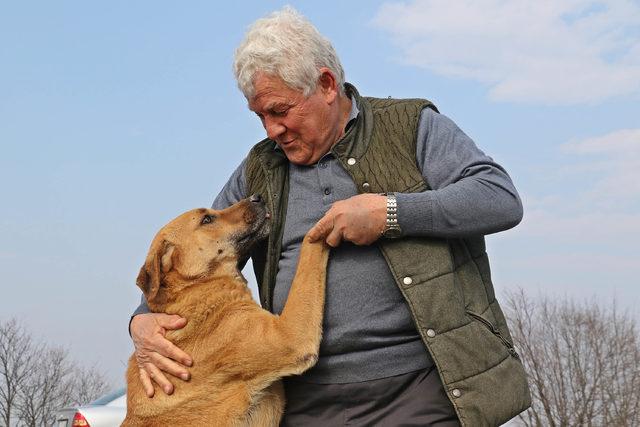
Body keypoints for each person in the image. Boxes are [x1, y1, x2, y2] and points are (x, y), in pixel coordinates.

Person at [129, 7, 531, 426]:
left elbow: (499, 197)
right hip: (303, 400)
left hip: (418, 390)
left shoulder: (411, 126)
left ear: (325, 85)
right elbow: (198, 251)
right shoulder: (260, 168)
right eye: (260, 116)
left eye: (280, 111)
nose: (271, 130)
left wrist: (392, 212)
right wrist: (142, 322)